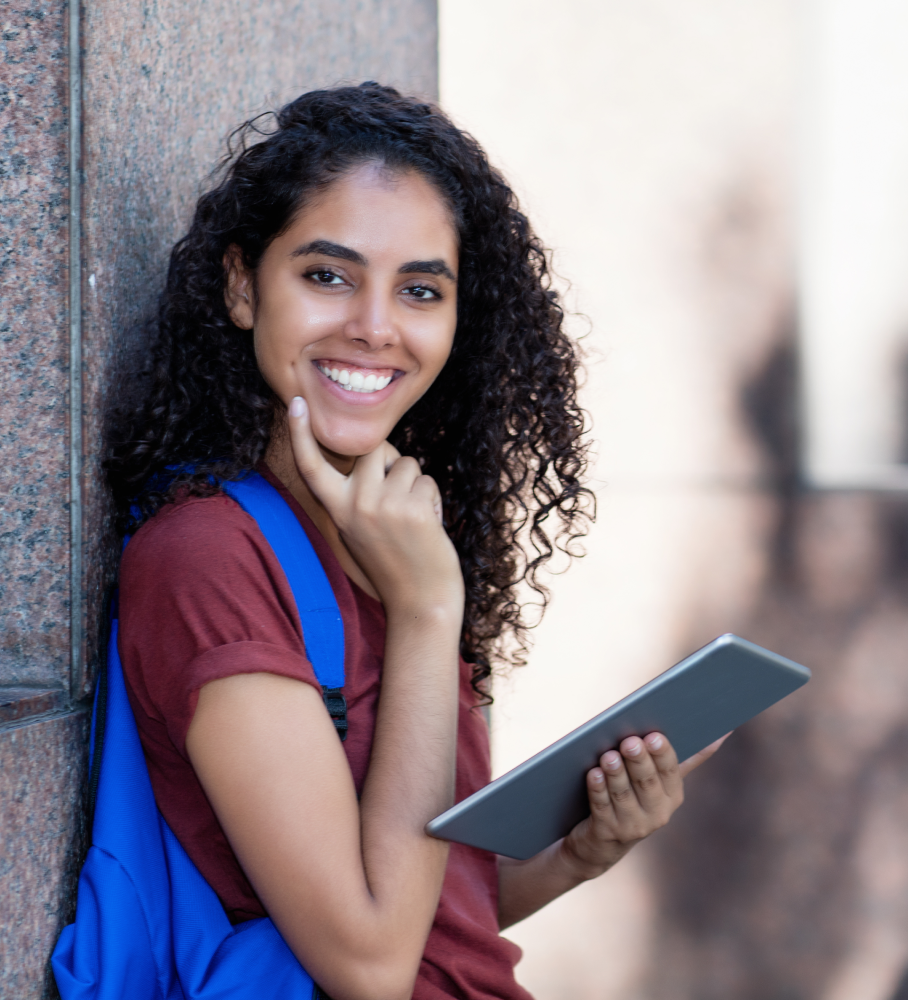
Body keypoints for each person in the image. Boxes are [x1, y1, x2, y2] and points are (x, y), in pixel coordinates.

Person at [104, 82, 722, 1000]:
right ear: (243, 285)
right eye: (327, 275)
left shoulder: (381, 530)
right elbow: (368, 960)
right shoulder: (209, 559)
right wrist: (431, 610)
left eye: (420, 289)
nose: (376, 326)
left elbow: (431, 906)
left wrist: (578, 853)